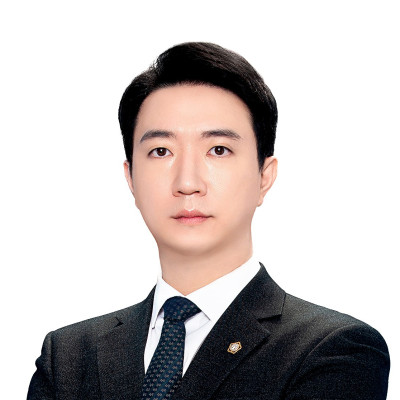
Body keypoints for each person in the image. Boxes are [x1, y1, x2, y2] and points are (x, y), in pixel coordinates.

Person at [27, 42, 390, 400]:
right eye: (161, 151)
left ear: (264, 176)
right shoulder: (69, 356)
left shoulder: (333, 350)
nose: (187, 183)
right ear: (131, 179)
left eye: (218, 150)